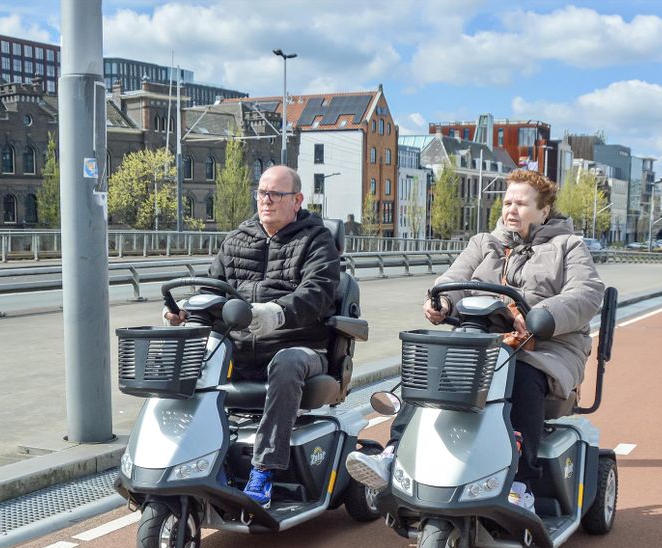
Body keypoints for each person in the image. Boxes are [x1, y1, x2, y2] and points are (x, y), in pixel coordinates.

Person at [346, 169, 605, 510]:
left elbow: (586, 293)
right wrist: (441, 302)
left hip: (545, 348)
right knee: (433, 370)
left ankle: (520, 482)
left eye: (522, 204)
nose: (511, 210)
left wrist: (542, 316)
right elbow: (454, 278)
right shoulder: (483, 243)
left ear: (544, 211)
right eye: (507, 202)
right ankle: (394, 454)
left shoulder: (567, 246)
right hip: (481, 344)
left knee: (522, 378)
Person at [165, 165, 340, 507]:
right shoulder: (235, 240)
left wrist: (276, 313)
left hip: (299, 347)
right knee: (188, 355)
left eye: (276, 194)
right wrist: (185, 310)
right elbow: (211, 290)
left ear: (297, 200)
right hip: (240, 350)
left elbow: (319, 293)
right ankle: (189, 457)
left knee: (287, 362)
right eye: (262, 192)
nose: (267, 201)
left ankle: (264, 468)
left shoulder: (317, 241)